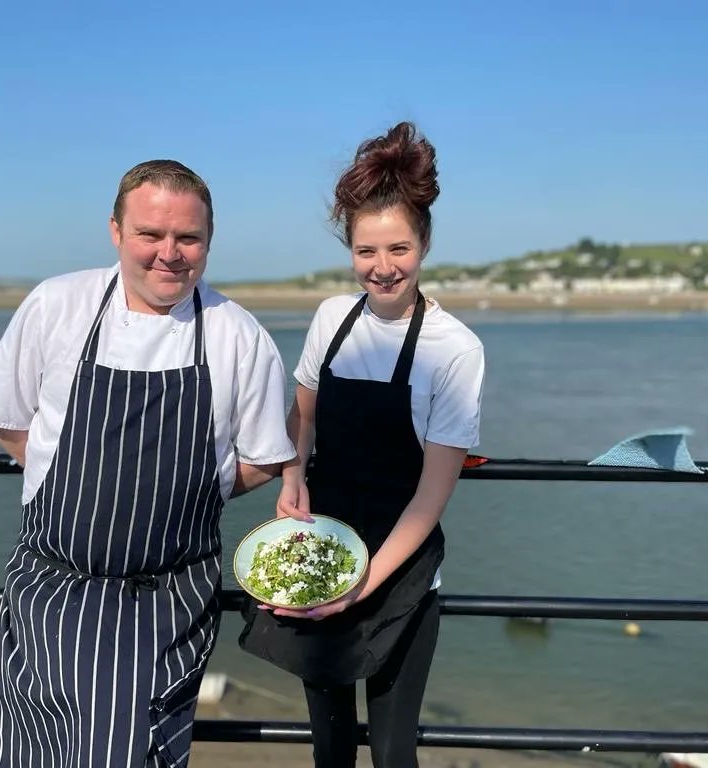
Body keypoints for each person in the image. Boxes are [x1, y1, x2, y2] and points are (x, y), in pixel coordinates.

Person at [0, 160, 298, 768]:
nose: (169, 253)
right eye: (150, 234)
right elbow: (5, 417)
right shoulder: (56, 306)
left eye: (188, 238)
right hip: (52, 592)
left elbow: (267, 458)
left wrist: (196, 491)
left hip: (165, 605)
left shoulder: (238, 336)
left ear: (208, 241)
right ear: (116, 231)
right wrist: (57, 474)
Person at [239, 122, 485, 768]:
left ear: (425, 242)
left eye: (398, 248)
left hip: (400, 573)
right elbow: (304, 414)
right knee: (330, 747)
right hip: (325, 552)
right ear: (349, 247)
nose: (383, 267)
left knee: (393, 752)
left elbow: (431, 499)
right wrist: (292, 474)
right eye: (366, 250)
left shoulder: (455, 350)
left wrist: (363, 584)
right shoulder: (330, 318)